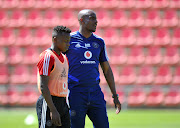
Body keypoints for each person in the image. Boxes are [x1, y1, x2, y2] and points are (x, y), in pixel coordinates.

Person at [65, 9, 121, 128]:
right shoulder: (68, 40)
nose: (96, 21)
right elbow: (55, 60)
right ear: (82, 20)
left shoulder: (99, 42)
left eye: (96, 18)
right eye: (92, 18)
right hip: (76, 93)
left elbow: (106, 69)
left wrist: (115, 95)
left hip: (95, 92)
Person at [36, 26, 71, 128]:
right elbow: (43, 86)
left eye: (69, 41)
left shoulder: (64, 58)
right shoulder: (48, 57)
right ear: (55, 39)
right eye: (65, 41)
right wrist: (53, 110)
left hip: (63, 102)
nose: (68, 44)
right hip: (49, 103)